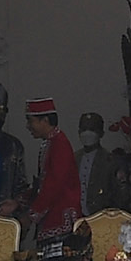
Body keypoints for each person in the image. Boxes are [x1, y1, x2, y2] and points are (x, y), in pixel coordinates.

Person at [24, 98, 85, 242]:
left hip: (59, 219)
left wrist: (32, 215)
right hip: (52, 216)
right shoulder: (52, 142)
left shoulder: (60, 144)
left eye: (30, 121)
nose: (28, 126)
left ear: (44, 120)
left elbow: (54, 184)